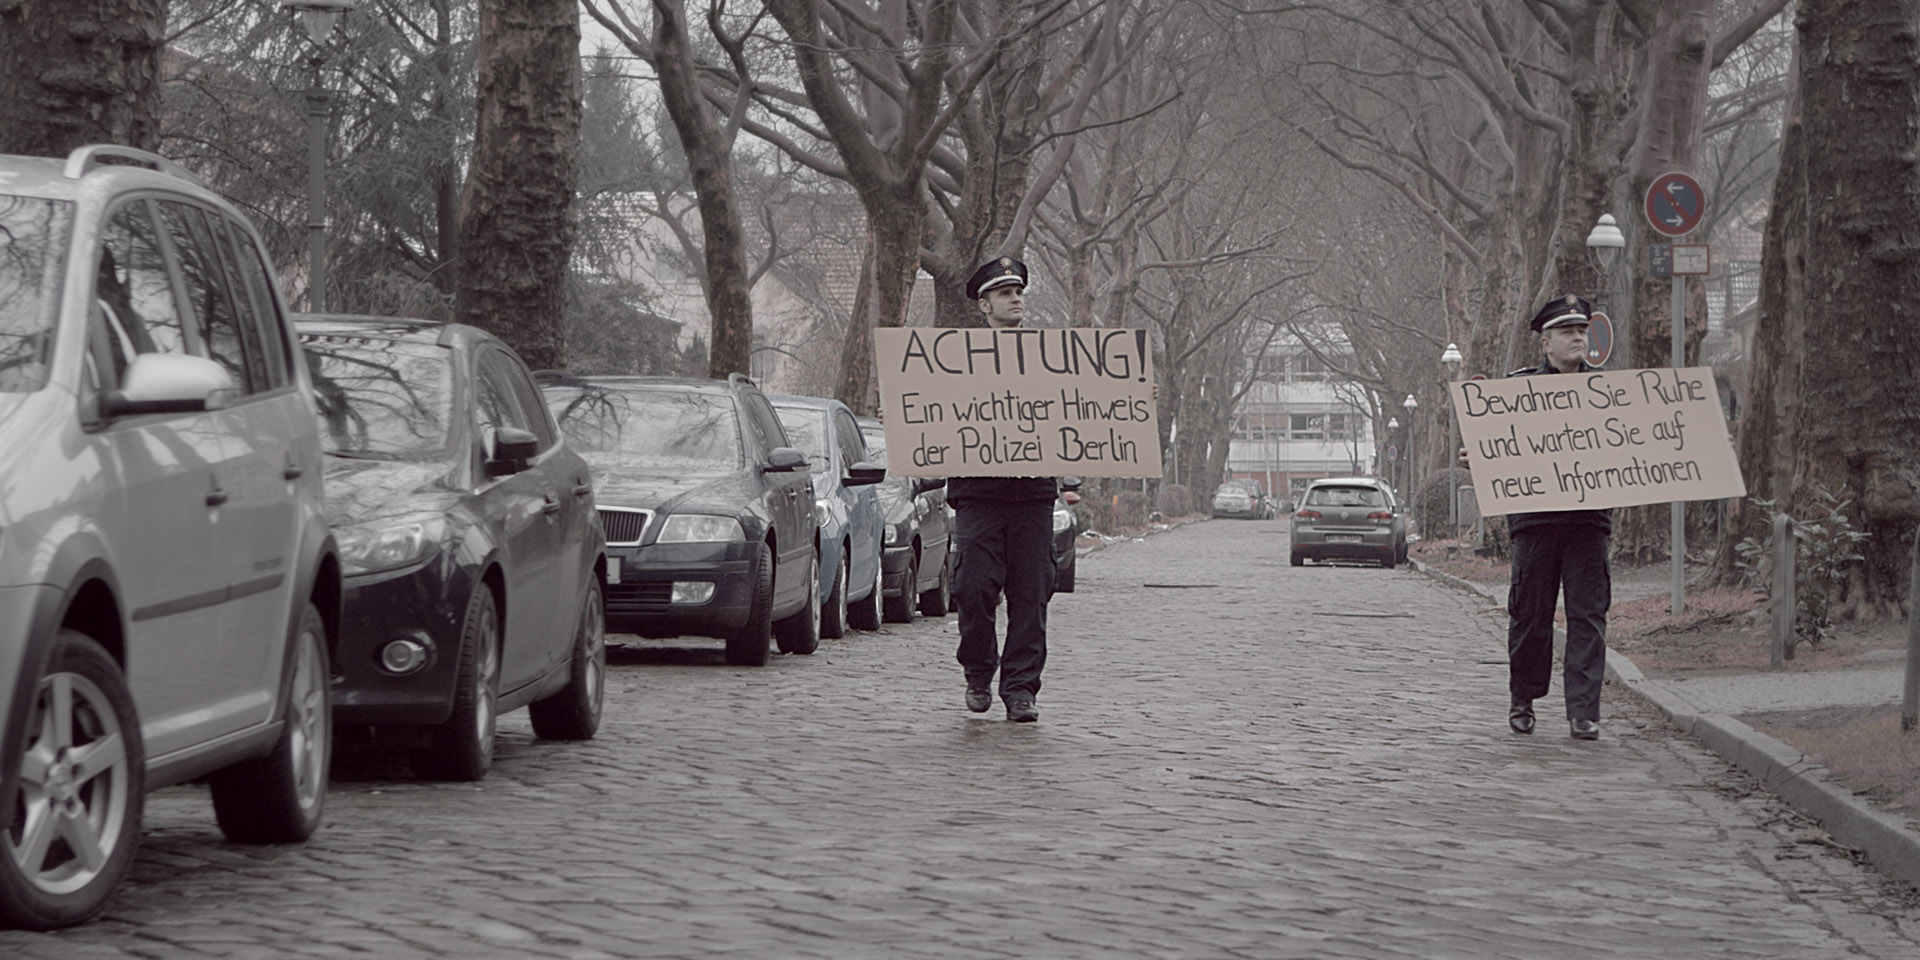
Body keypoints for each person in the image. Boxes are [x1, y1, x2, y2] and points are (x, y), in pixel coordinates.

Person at [948, 256, 1061, 723]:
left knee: (1030, 598)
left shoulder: (1051, 357)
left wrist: (1135, 397)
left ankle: (1020, 690)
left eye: (1019, 293)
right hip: (978, 495)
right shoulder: (952, 361)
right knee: (973, 590)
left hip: (1032, 497)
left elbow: (1083, 405)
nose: (1016, 300)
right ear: (984, 305)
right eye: (1005, 294)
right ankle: (978, 671)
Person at [1504, 294, 1613, 740]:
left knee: (1588, 616)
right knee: (1531, 615)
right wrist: (1479, 459)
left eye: (1582, 331)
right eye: (1567, 332)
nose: (1577, 338)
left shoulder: (1612, 393)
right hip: (1535, 520)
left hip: (1588, 521)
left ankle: (1583, 712)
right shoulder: (1516, 391)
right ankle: (1523, 699)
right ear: (1545, 344)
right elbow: (1498, 446)